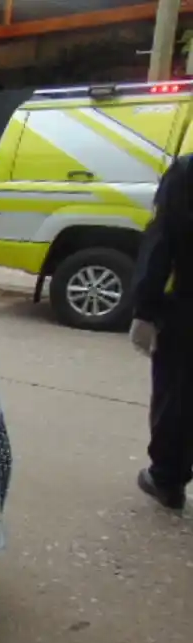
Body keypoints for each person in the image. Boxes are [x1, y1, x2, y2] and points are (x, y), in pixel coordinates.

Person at [130, 154, 193, 511]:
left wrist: (145, 308)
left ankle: (167, 478)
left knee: (178, 393)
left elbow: (164, 237)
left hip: (187, 307)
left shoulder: (187, 171)